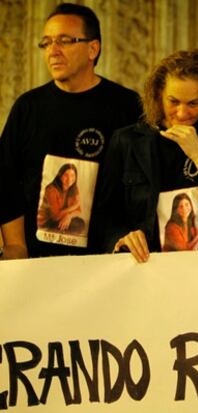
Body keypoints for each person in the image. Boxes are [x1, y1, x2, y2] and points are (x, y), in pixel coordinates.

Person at [0, 2, 142, 259]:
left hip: (107, 259)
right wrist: (14, 246)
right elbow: (4, 179)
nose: (53, 51)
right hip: (36, 260)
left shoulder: (127, 106)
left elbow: (144, 185)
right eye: (46, 43)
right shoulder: (28, 107)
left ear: (93, 49)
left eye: (64, 41)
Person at [97, 49, 198, 262]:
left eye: (193, 103)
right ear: (159, 95)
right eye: (173, 101)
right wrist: (121, 237)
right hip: (148, 264)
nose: (182, 113)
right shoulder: (128, 140)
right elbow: (104, 216)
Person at [37, 163, 85, 234]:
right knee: (74, 226)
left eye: (72, 175)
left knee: (80, 223)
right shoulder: (51, 189)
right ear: (60, 176)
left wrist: (69, 216)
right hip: (48, 221)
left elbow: (78, 211)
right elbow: (55, 217)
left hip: (61, 218)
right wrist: (74, 206)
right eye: (66, 175)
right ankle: (57, 230)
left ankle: (60, 230)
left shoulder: (74, 189)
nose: (69, 179)